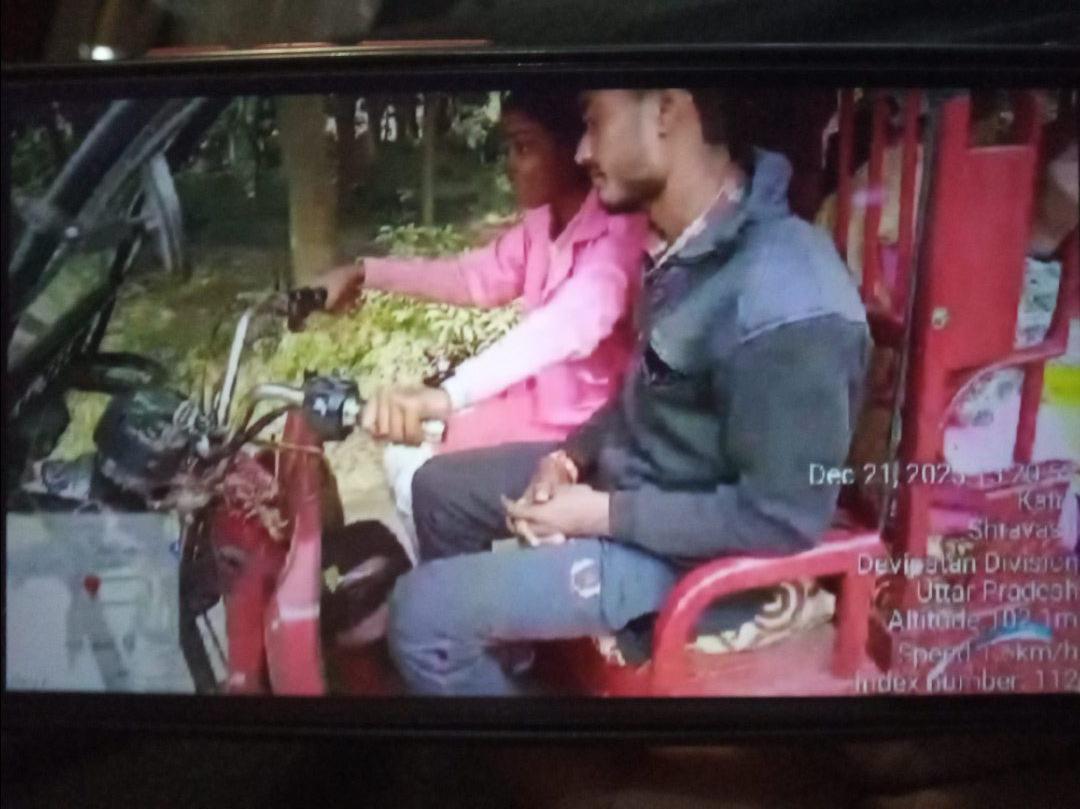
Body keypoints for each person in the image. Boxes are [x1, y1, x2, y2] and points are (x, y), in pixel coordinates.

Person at [385, 88, 872, 695]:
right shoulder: (684, 250)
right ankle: (507, 668)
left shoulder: (789, 298)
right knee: (438, 489)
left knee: (421, 616)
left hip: (693, 561)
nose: (583, 151)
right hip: (637, 488)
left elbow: (782, 519)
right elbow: (645, 393)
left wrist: (601, 513)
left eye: (596, 122)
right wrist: (570, 458)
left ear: (667, 111)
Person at [317, 92, 648, 553]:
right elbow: (471, 279)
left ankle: (448, 583)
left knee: (423, 478)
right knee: (402, 455)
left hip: (578, 439)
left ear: (572, 149)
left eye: (524, 147)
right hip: (527, 413)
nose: (511, 164)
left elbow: (567, 326)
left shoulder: (620, 234)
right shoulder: (541, 225)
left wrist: (447, 395)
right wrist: (365, 273)